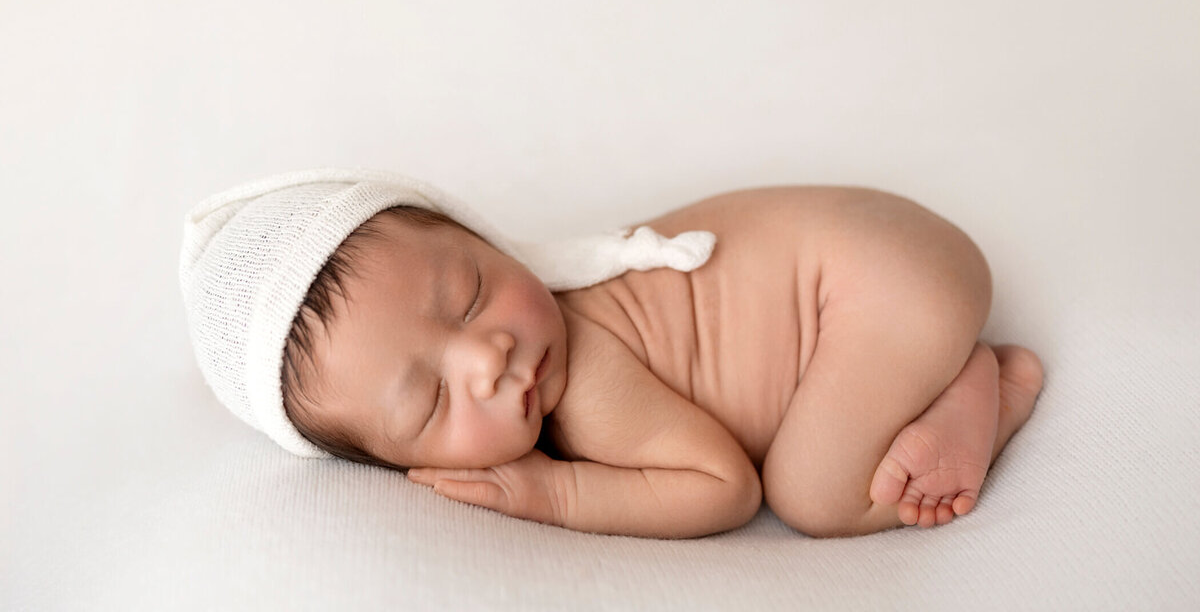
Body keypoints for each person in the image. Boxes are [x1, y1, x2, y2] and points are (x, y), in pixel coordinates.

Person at [179, 168, 1043, 539]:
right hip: (892, 257)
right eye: (432, 403)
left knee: (814, 495)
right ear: (392, 464)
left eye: (473, 291)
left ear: (488, 237)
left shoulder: (584, 374)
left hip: (879, 288)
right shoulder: (543, 358)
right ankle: (948, 370)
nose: (487, 354)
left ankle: (983, 386)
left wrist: (556, 493)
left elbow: (723, 488)